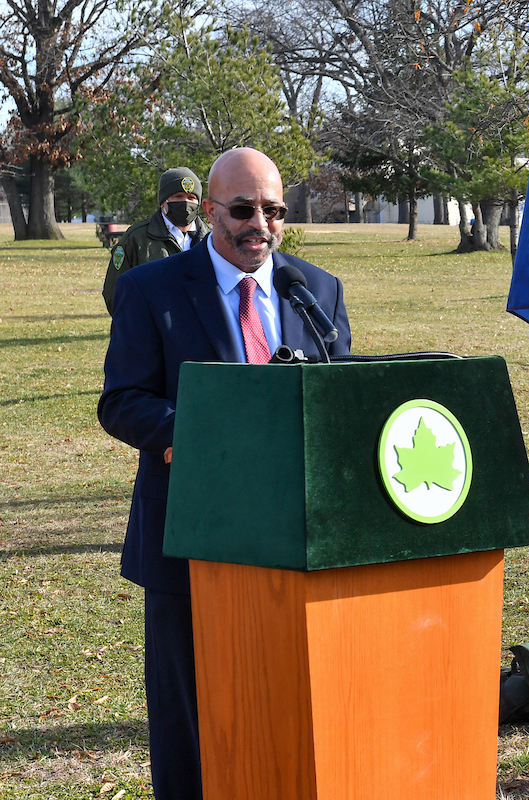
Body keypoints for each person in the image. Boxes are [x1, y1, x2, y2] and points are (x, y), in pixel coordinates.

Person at [97, 148, 351, 799]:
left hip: (299, 540)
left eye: (274, 211)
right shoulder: (150, 290)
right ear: (210, 210)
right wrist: (201, 434)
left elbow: (343, 397)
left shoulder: (316, 291)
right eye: (242, 210)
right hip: (190, 538)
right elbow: (122, 401)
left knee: (285, 709)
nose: (258, 225)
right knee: (191, 722)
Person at [102, 167, 213, 313]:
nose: (185, 203)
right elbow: (115, 293)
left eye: (191, 197)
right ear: (163, 202)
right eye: (178, 197)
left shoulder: (212, 239)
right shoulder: (137, 239)